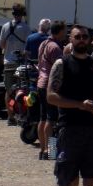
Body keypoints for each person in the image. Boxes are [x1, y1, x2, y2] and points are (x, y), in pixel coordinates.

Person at [47, 25, 93, 186]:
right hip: (69, 128)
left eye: (84, 37)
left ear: (90, 40)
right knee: (66, 173)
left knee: (92, 174)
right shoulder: (62, 64)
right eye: (77, 37)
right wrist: (79, 104)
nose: (81, 39)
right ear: (70, 40)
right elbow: (50, 96)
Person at [34, 20, 67, 161]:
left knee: (42, 118)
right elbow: (60, 68)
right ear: (59, 31)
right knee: (51, 119)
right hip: (49, 85)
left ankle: (43, 149)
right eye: (64, 31)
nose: (66, 34)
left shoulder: (43, 44)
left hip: (40, 82)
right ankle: (51, 151)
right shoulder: (55, 47)